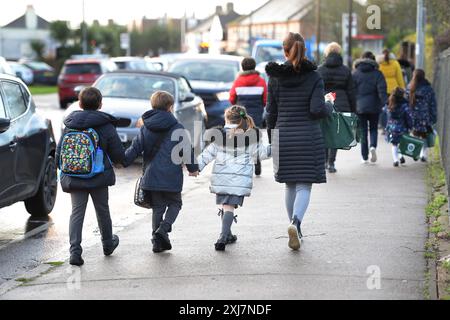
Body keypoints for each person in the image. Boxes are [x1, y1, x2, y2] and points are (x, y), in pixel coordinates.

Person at [265, 32, 333, 251]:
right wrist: (329, 106)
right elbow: (316, 109)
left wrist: (271, 138)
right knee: (304, 184)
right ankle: (296, 223)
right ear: (305, 50)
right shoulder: (314, 77)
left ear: (285, 51)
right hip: (308, 136)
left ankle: (295, 228)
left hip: (283, 136)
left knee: (289, 184)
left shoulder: (274, 77)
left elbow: (270, 113)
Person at [122, 91, 199, 253]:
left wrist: (122, 161)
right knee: (175, 203)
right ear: (170, 107)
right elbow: (187, 150)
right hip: (171, 176)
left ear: (152, 106)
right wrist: (193, 168)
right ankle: (163, 230)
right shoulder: (177, 127)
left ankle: (156, 242)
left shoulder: (145, 128)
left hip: (151, 176)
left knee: (158, 207)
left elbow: (134, 149)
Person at [56, 87, 125, 266]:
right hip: (98, 175)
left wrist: (62, 168)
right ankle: (108, 244)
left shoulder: (70, 123)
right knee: (102, 211)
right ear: (100, 104)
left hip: (74, 175)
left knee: (77, 213)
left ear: (80, 103)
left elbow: (59, 151)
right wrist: (122, 161)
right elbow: (118, 154)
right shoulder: (106, 125)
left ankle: (75, 252)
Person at [197, 106, 271, 251]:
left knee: (226, 205)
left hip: (221, 179)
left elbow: (207, 155)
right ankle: (223, 236)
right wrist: (274, 147)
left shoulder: (219, 136)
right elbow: (262, 154)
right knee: (229, 206)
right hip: (239, 180)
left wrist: (195, 167)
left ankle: (227, 234)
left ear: (226, 119)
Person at [318, 42, 356, 173]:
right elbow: (351, 91)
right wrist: (353, 108)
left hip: (324, 102)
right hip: (341, 103)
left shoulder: (320, 69)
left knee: (323, 133)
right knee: (334, 133)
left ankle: (323, 162)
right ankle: (331, 163)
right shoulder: (345, 70)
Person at [229, 57, 268, 176]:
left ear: (242, 67)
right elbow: (265, 100)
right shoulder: (261, 81)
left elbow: (232, 99)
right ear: (254, 66)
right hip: (256, 116)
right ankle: (257, 163)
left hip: (241, 116)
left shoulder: (238, 81)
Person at [352, 51, 388, 164]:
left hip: (360, 106)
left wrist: (352, 105)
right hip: (374, 105)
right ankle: (373, 146)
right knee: (373, 129)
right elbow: (382, 90)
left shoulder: (355, 73)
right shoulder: (378, 74)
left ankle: (364, 157)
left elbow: (351, 90)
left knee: (363, 131)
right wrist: (384, 103)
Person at [407, 69, 438, 162]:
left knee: (416, 134)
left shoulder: (410, 87)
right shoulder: (428, 89)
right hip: (425, 116)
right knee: (424, 135)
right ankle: (422, 154)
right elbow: (433, 104)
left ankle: (415, 151)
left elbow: (405, 101)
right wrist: (433, 116)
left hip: (413, 115)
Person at [378, 49, 406, 132]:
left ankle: (383, 126)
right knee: (393, 107)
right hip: (393, 89)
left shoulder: (380, 64)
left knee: (383, 108)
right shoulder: (395, 63)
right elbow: (399, 77)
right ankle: (391, 125)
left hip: (382, 89)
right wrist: (402, 88)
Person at [386, 87, 413, 167]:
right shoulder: (405, 105)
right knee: (401, 144)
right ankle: (401, 156)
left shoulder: (390, 104)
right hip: (402, 128)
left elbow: (387, 117)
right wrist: (410, 126)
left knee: (394, 144)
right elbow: (408, 117)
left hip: (392, 129)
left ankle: (395, 160)